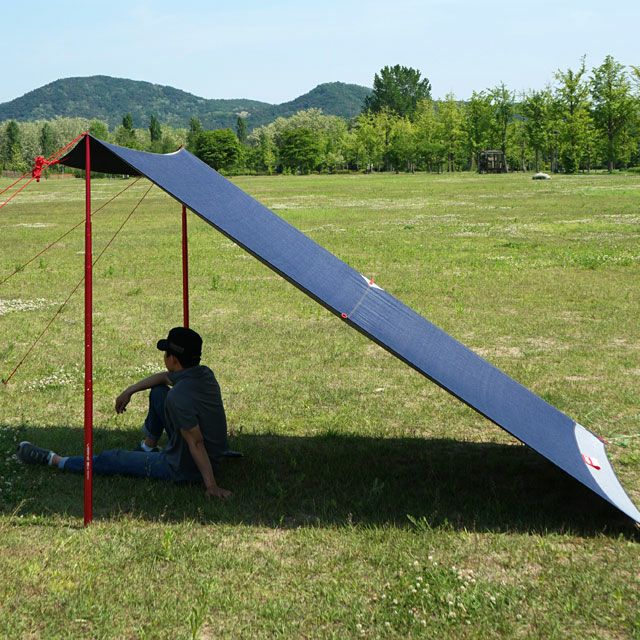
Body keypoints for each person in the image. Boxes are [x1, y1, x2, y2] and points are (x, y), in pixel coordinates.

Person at [17, 327, 231, 499]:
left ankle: (56, 460)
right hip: (210, 454)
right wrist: (130, 390)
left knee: (115, 459)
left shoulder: (179, 397)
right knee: (158, 392)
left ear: (173, 359)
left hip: (185, 467)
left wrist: (211, 486)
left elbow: (196, 442)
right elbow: (163, 378)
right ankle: (148, 446)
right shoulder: (204, 374)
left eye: (166, 353)